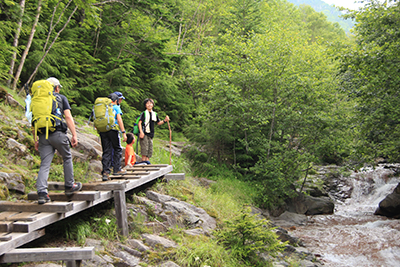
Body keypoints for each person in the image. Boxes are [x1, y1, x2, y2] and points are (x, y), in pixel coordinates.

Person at [33, 77, 82, 204]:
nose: (59, 89)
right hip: (58, 134)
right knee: (67, 157)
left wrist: (36, 139)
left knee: (45, 164)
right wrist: (74, 135)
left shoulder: (38, 99)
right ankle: (69, 186)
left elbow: (34, 120)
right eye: (58, 87)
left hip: (43, 136)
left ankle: (42, 194)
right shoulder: (61, 98)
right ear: (55, 87)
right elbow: (68, 117)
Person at [100, 92, 127, 181]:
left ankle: (105, 172)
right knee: (117, 149)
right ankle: (117, 169)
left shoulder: (103, 107)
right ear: (116, 100)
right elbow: (119, 119)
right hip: (113, 129)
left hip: (103, 130)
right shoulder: (115, 107)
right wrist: (123, 132)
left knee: (106, 150)